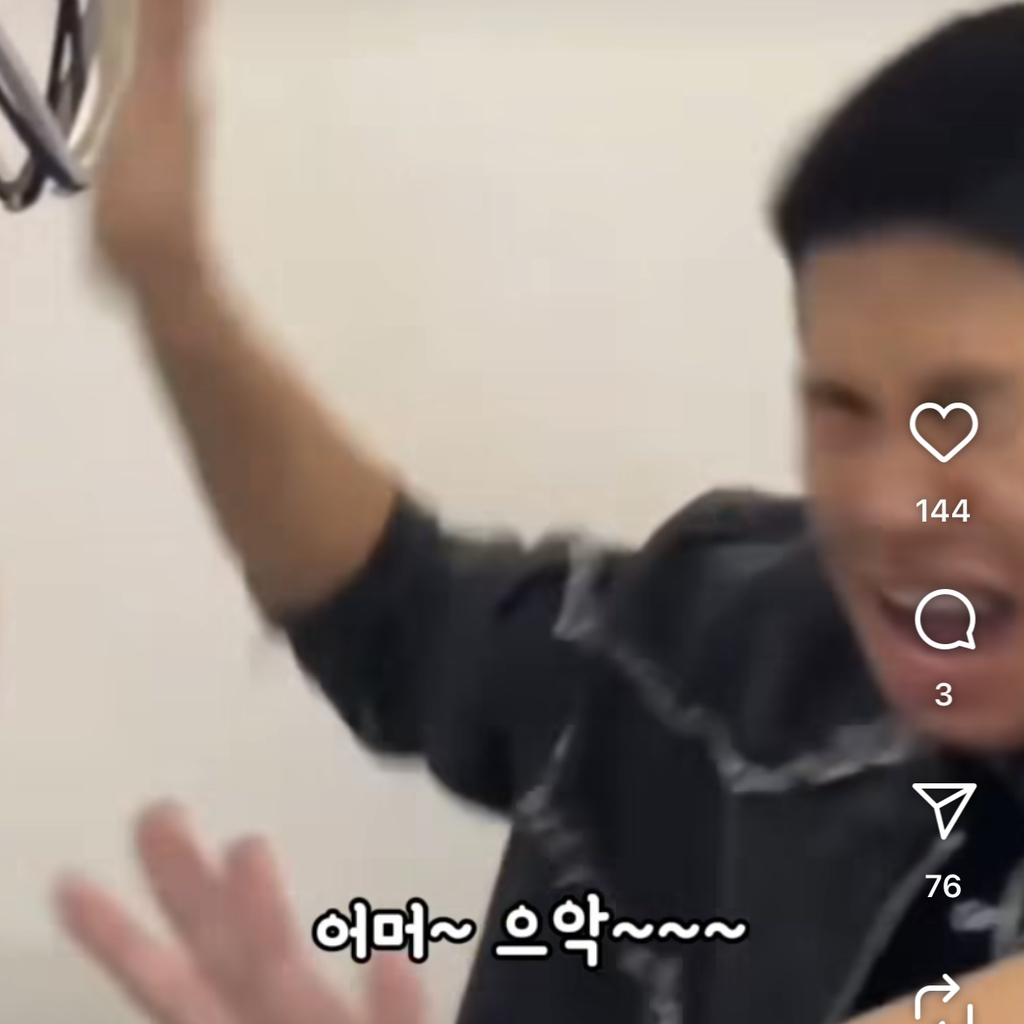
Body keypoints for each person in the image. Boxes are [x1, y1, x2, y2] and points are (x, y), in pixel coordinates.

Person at [80, 0, 1024, 1021]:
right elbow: (404, 619)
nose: (885, 503)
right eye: (842, 408)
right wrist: (174, 290)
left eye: (965, 413)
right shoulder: (740, 643)